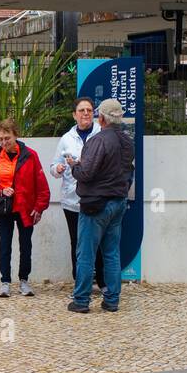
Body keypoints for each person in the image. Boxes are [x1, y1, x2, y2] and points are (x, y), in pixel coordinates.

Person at [69, 98, 135, 313]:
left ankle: (81, 300)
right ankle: (112, 300)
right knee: (111, 253)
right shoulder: (127, 141)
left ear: (102, 118)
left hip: (96, 204)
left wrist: (74, 167)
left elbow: (86, 173)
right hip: (118, 201)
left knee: (86, 254)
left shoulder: (98, 140)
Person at [0, 117, 49, 297]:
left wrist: (39, 207)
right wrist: (1, 190)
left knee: (26, 245)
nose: (4, 143)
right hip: (4, 209)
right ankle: (5, 281)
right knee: (5, 245)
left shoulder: (30, 155)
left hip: (25, 208)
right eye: (0, 139)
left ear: (15, 135)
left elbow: (41, 183)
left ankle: (24, 280)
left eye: (7, 138)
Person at [50, 96, 104, 294]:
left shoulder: (101, 134)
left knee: (98, 241)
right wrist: (59, 167)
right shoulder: (66, 139)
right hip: (72, 200)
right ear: (74, 115)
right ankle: (80, 280)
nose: (86, 114)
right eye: (81, 110)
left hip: (96, 198)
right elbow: (53, 168)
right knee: (77, 242)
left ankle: (101, 280)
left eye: (89, 110)